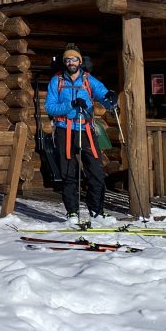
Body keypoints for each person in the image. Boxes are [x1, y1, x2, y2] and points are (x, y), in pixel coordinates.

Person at [44, 44, 118, 225]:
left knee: (96, 171)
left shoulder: (88, 80)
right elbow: (50, 107)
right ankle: (72, 212)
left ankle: (96, 211)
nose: (71, 62)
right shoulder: (57, 81)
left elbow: (103, 94)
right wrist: (70, 105)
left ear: (80, 61)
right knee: (69, 172)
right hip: (65, 128)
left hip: (85, 129)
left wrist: (110, 100)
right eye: (67, 60)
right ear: (64, 62)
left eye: (74, 59)